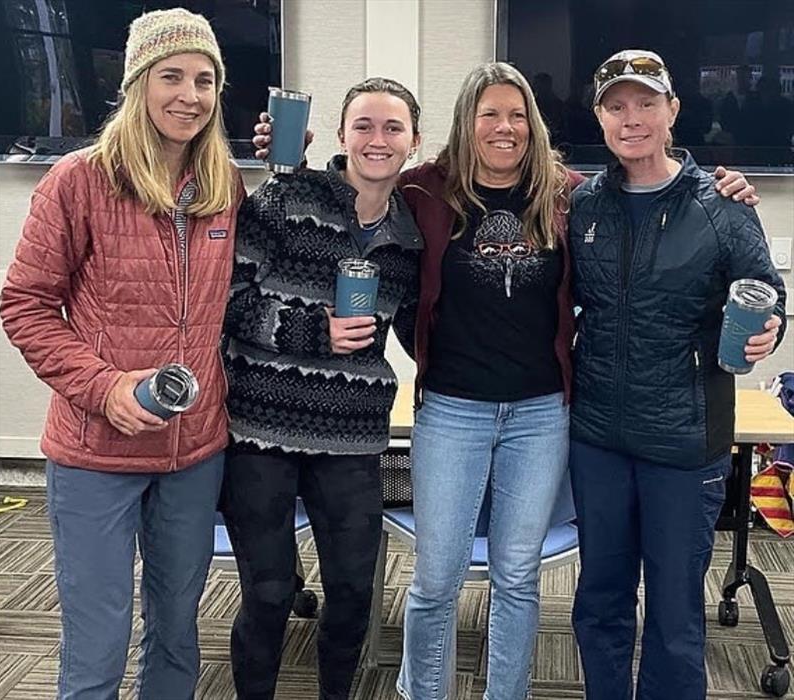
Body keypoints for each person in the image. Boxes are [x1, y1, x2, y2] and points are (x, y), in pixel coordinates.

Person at [252, 62, 757, 700]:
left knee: (517, 577)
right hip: (452, 411)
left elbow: (646, 202)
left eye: (517, 114)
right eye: (489, 113)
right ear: (468, 121)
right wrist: (291, 157)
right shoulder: (426, 192)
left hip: (540, 413)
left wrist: (718, 187)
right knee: (436, 580)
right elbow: (359, 184)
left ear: (533, 124)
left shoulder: (567, 193)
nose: (504, 126)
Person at [0, 9, 243, 699]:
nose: (189, 96)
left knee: (175, 634)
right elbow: (26, 305)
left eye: (204, 80)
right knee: (97, 644)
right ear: (138, 83)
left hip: (194, 451)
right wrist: (105, 389)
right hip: (95, 453)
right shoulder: (77, 181)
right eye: (171, 76)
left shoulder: (224, 183)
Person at [567, 49, 786, 700]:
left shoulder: (722, 204)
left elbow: (763, 291)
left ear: (673, 112)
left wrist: (768, 329)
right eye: (615, 106)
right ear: (601, 118)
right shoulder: (584, 207)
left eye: (645, 103)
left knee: (674, 617)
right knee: (599, 602)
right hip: (598, 437)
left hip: (685, 445)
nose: (630, 118)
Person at [220, 77, 423, 700]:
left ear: (414, 143)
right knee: (270, 592)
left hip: (352, 434)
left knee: (355, 589)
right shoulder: (286, 199)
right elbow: (223, 302)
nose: (377, 139)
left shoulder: (412, 242)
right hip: (261, 429)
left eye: (393, 128)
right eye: (363, 125)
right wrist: (315, 332)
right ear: (341, 135)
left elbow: (425, 327)